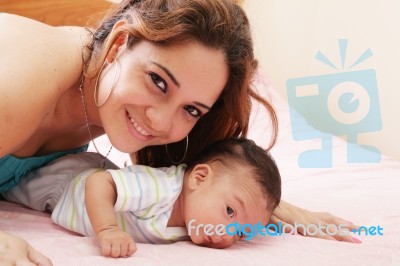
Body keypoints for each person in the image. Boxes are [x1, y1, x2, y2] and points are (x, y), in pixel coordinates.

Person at [0, 0, 358, 264]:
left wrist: (260, 204)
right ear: (119, 44)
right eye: (158, 81)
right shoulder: (29, 73)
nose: (159, 122)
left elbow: (200, 181)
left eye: (191, 110)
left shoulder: (99, 96)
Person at [3, 138, 282, 258]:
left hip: (68, 192)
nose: (226, 235)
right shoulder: (162, 188)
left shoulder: (199, 217)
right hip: (65, 182)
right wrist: (107, 229)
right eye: (230, 212)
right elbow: (100, 182)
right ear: (199, 178)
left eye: (241, 233)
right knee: (9, 180)